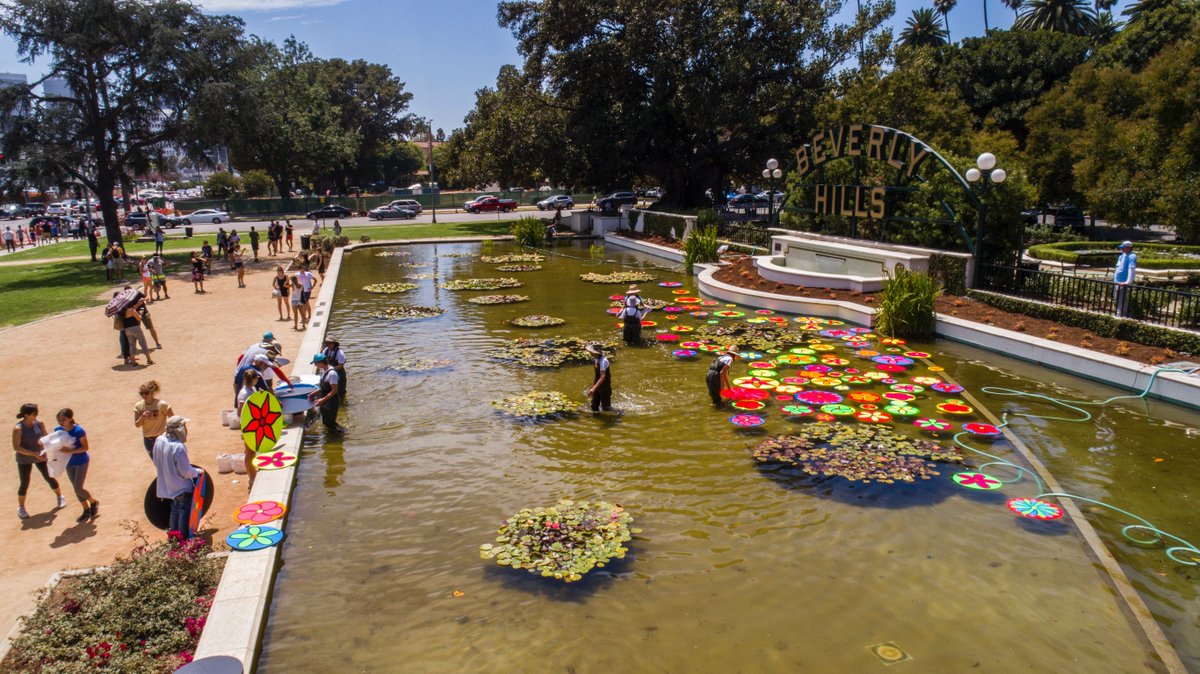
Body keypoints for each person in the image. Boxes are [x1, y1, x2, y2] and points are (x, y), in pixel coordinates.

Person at [13, 403, 65, 519]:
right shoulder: (18, 429)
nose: (37, 415)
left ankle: (60, 497)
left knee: (49, 477)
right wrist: (34, 454)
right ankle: (21, 508)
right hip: (24, 458)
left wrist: (46, 444)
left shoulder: (39, 423)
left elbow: (46, 437)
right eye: (34, 413)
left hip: (40, 455)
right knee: (24, 482)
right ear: (26, 415)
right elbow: (16, 448)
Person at [152, 416, 200, 538]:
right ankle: (182, 539)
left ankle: (173, 538)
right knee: (184, 512)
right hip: (182, 486)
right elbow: (185, 471)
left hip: (169, 485)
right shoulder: (178, 447)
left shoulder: (160, 440)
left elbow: (156, 461)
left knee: (175, 510)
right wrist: (197, 472)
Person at [55, 408, 98, 523]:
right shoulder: (58, 430)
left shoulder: (79, 431)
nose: (60, 422)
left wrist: (69, 451)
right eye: (59, 420)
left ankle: (93, 502)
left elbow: (85, 448)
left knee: (78, 487)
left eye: (63, 420)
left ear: (69, 419)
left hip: (81, 461)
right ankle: (85, 509)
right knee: (75, 488)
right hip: (68, 463)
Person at [133, 380, 174, 458]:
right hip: (148, 440)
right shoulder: (138, 406)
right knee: (157, 463)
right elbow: (137, 425)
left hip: (162, 438)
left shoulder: (162, 405)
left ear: (152, 393)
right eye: (141, 393)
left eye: (146, 393)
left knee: (168, 460)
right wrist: (142, 417)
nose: (144, 395)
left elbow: (173, 419)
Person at [308, 353, 344, 432]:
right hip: (325, 400)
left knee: (331, 423)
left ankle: (342, 434)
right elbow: (324, 386)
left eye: (315, 363)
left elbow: (334, 390)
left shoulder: (332, 374)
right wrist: (315, 392)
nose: (315, 365)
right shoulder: (324, 370)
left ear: (320, 362)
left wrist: (322, 400)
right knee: (326, 421)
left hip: (331, 401)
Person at [122, 299, 156, 366]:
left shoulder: (122, 312)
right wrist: (140, 314)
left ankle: (133, 361)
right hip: (135, 328)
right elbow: (139, 319)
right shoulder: (132, 310)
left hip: (127, 330)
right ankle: (149, 360)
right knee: (143, 343)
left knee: (132, 345)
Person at [585, 344, 613, 414]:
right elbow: (597, 375)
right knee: (594, 405)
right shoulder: (595, 358)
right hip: (597, 385)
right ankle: (594, 419)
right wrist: (594, 386)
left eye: (591, 352)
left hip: (605, 387)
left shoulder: (603, 361)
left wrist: (594, 388)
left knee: (606, 408)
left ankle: (618, 413)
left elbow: (602, 377)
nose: (590, 353)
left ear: (595, 352)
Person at [1114, 240, 1137, 318]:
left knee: (1122, 298)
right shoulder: (1122, 255)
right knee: (1117, 297)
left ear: (1129, 248)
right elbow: (1118, 267)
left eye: (1124, 248)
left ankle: (1122, 314)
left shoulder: (1132, 256)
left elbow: (1132, 269)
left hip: (1123, 281)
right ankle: (1119, 313)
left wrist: (1128, 282)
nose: (1122, 249)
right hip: (1117, 280)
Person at [322, 336, 347, 402]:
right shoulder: (325, 350)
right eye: (326, 344)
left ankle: (342, 401)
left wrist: (331, 369)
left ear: (334, 343)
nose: (328, 345)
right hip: (329, 372)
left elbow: (340, 365)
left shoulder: (340, 352)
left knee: (341, 389)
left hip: (339, 373)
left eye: (329, 343)